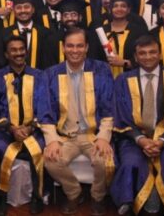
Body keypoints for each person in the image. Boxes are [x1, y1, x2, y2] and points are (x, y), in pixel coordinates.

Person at [111, 35, 164, 215]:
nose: (147, 57)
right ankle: (132, 202)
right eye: (142, 53)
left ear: (160, 54)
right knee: (131, 163)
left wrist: (161, 141)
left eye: (152, 52)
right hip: (134, 138)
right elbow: (122, 117)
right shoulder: (123, 80)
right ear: (136, 57)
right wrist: (141, 140)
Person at [42, 28, 115, 215]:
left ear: (87, 47)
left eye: (79, 46)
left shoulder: (101, 70)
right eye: (70, 46)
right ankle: (74, 193)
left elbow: (109, 108)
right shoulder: (51, 74)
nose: (75, 50)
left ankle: (98, 197)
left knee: (104, 161)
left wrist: (103, 137)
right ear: (63, 48)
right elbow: (45, 111)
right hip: (66, 137)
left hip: (93, 135)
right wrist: (52, 141)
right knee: (50, 161)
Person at [0, 35, 52, 216]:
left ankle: (37, 195)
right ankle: (1, 196)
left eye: (21, 49)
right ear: (6, 54)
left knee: (41, 146)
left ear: (26, 51)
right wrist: (11, 128)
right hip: (3, 130)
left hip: (32, 130)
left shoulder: (40, 76)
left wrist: (29, 128)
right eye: (14, 50)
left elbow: (45, 107)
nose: (18, 53)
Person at [88, 0, 149, 78]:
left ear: (128, 10)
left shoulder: (138, 31)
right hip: (105, 79)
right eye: (115, 6)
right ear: (110, 10)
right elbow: (93, 57)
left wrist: (124, 63)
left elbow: (145, 57)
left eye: (123, 6)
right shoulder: (100, 32)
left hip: (132, 78)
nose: (119, 9)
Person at [0, 0, 54, 70]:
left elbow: (49, 62)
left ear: (33, 10)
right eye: (18, 7)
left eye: (26, 7)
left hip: (40, 79)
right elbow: (1, 61)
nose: (23, 10)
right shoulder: (4, 34)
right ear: (13, 11)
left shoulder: (46, 33)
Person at [43, 0, 91, 65]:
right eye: (66, 15)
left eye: (73, 15)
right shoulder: (52, 40)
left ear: (80, 17)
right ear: (61, 18)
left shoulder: (91, 38)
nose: (70, 18)